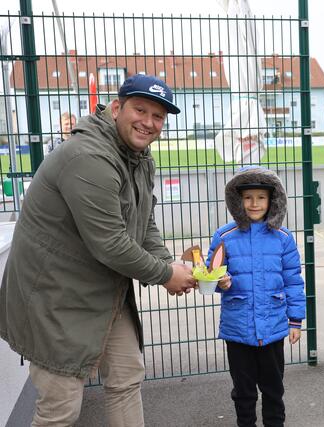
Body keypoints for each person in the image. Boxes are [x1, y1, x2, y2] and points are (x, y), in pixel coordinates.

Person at [0, 74, 196, 427]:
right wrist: (167, 274)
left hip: (103, 289)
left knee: (126, 377)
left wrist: (167, 262)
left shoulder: (138, 157)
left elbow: (143, 221)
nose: (149, 123)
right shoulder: (89, 157)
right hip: (55, 296)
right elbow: (111, 243)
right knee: (61, 406)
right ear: (117, 108)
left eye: (158, 117)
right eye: (141, 110)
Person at [206, 166, 306, 427]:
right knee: (243, 392)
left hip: (273, 328)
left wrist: (295, 320)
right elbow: (209, 274)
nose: (254, 203)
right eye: (248, 197)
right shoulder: (224, 236)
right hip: (237, 329)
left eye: (261, 197)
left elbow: (293, 281)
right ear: (238, 200)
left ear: (272, 200)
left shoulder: (283, 238)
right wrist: (220, 282)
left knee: (274, 390)